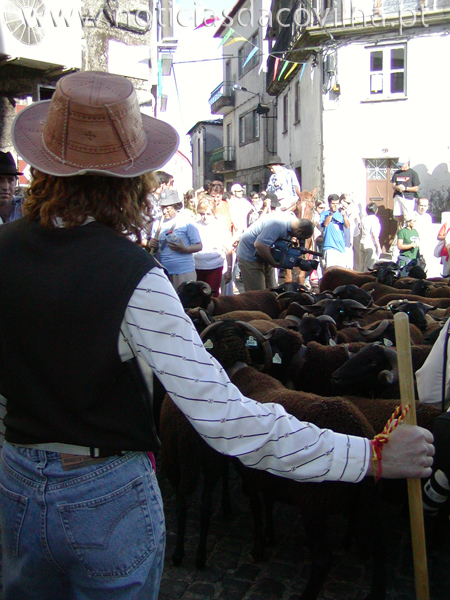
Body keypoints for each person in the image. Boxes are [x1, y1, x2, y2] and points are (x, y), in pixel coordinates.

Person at [0, 70, 434, 600]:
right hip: (103, 496)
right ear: (132, 180)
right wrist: (372, 456)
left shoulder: (6, 248)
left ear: (46, 166)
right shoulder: (132, 274)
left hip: (15, 483)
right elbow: (229, 420)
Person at [236, 213, 314, 291]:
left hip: (265, 255)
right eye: (300, 237)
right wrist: (273, 262)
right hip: (250, 256)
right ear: (299, 231)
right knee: (258, 295)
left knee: (272, 291)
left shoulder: (292, 223)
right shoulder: (277, 225)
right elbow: (259, 245)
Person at [148, 189, 202, 289]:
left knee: (185, 302)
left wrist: (184, 249)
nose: (164, 211)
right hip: (163, 272)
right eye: (162, 207)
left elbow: (199, 245)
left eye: (168, 208)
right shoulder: (157, 223)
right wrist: (151, 244)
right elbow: (155, 248)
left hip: (184, 272)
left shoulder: (186, 221)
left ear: (175, 206)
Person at [194, 196, 233, 296]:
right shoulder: (194, 226)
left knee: (212, 296)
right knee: (198, 295)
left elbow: (228, 249)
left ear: (213, 213)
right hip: (197, 266)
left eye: (208, 214)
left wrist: (229, 269)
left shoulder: (220, 226)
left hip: (214, 266)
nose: (205, 217)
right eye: (202, 214)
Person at [320, 193, 350, 269]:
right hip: (330, 248)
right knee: (331, 271)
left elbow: (347, 226)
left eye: (337, 203)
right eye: (333, 203)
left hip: (341, 247)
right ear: (329, 204)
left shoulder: (341, 214)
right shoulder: (324, 214)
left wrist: (344, 215)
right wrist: (331, 214)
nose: (335, 205)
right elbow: (326, 224)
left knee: (341, 273)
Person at [392, 157, 420, 228]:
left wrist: (405, 188)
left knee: (408, 218)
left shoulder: (413, 173)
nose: (400, 167)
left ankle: (408, 232)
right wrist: (397, 187)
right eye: (399, 165)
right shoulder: (396, 173)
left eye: (402, 165)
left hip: (408, 198)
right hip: (398, 196)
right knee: (398, 217)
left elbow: (416, 188)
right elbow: (393, 186)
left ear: (407, 163)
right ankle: (399, 232)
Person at [0, 151, 24, 224]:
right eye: (0, 180)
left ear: (16, 182)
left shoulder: (26, 209)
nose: (5, 187)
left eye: (10, 180)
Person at [360, 202, 382, 272]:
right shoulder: (374, 219)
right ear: (376, 210)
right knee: (369, 267)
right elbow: (374, 234)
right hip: (370, 244)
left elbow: (360, 230)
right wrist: (378, 246)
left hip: (362, 242)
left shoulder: (364, 218)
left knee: (361, 266)